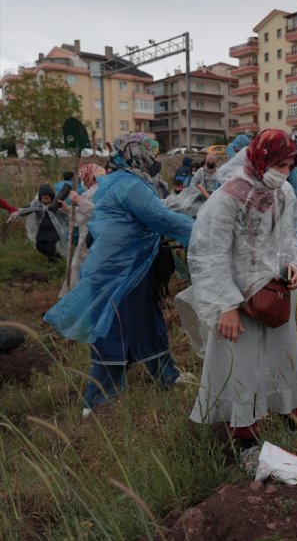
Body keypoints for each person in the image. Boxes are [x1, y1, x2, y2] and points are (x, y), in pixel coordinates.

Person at [44, 133, 194, 417]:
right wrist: (199, 229)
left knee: (147, 321)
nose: (155, 159)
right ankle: (99, 402)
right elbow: (158, 218)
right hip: (120, 270)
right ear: (136, 155)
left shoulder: (123, 181)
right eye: (150, 153)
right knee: (115, 327)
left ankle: (167, 376)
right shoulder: (129, 185)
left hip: (132, 267)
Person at [187, 129, 297, 448]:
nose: (284, 173)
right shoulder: (228, 197)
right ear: (260, 159)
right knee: (240, 365)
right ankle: (244, 437)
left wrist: (294, 266)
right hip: (237, 297)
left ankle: (290, 417)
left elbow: (290, 237)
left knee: (283, 356)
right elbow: (212, 253)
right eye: (279, 165)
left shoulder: (284, 193)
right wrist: (227, 305)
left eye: (289, 166)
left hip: (275, 293)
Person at [59, 163, 107, 297]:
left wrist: (79, 201)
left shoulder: (99, 192)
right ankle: (73, 297)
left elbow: (98, 212)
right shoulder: (89, 192)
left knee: (82, 267)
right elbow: (81, 217)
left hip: (93, 237)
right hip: (86, 236)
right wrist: (69, 209)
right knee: (77, 267)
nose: (82, 181)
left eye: (83, 178)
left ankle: (77, 298)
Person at [7, 183, 67, 263]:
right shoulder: (37, 205)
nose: (45, 200)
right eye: (43, 199)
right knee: (40, 247)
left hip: (54, 231)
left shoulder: (55, 205)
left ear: (52, 197)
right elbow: (28, 209)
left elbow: (64, 214)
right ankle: (56, 255)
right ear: (40, 198)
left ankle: (52, 262)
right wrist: (17, 213)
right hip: (42, 231)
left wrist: (65, 221)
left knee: (50, 247)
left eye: (47, 198)